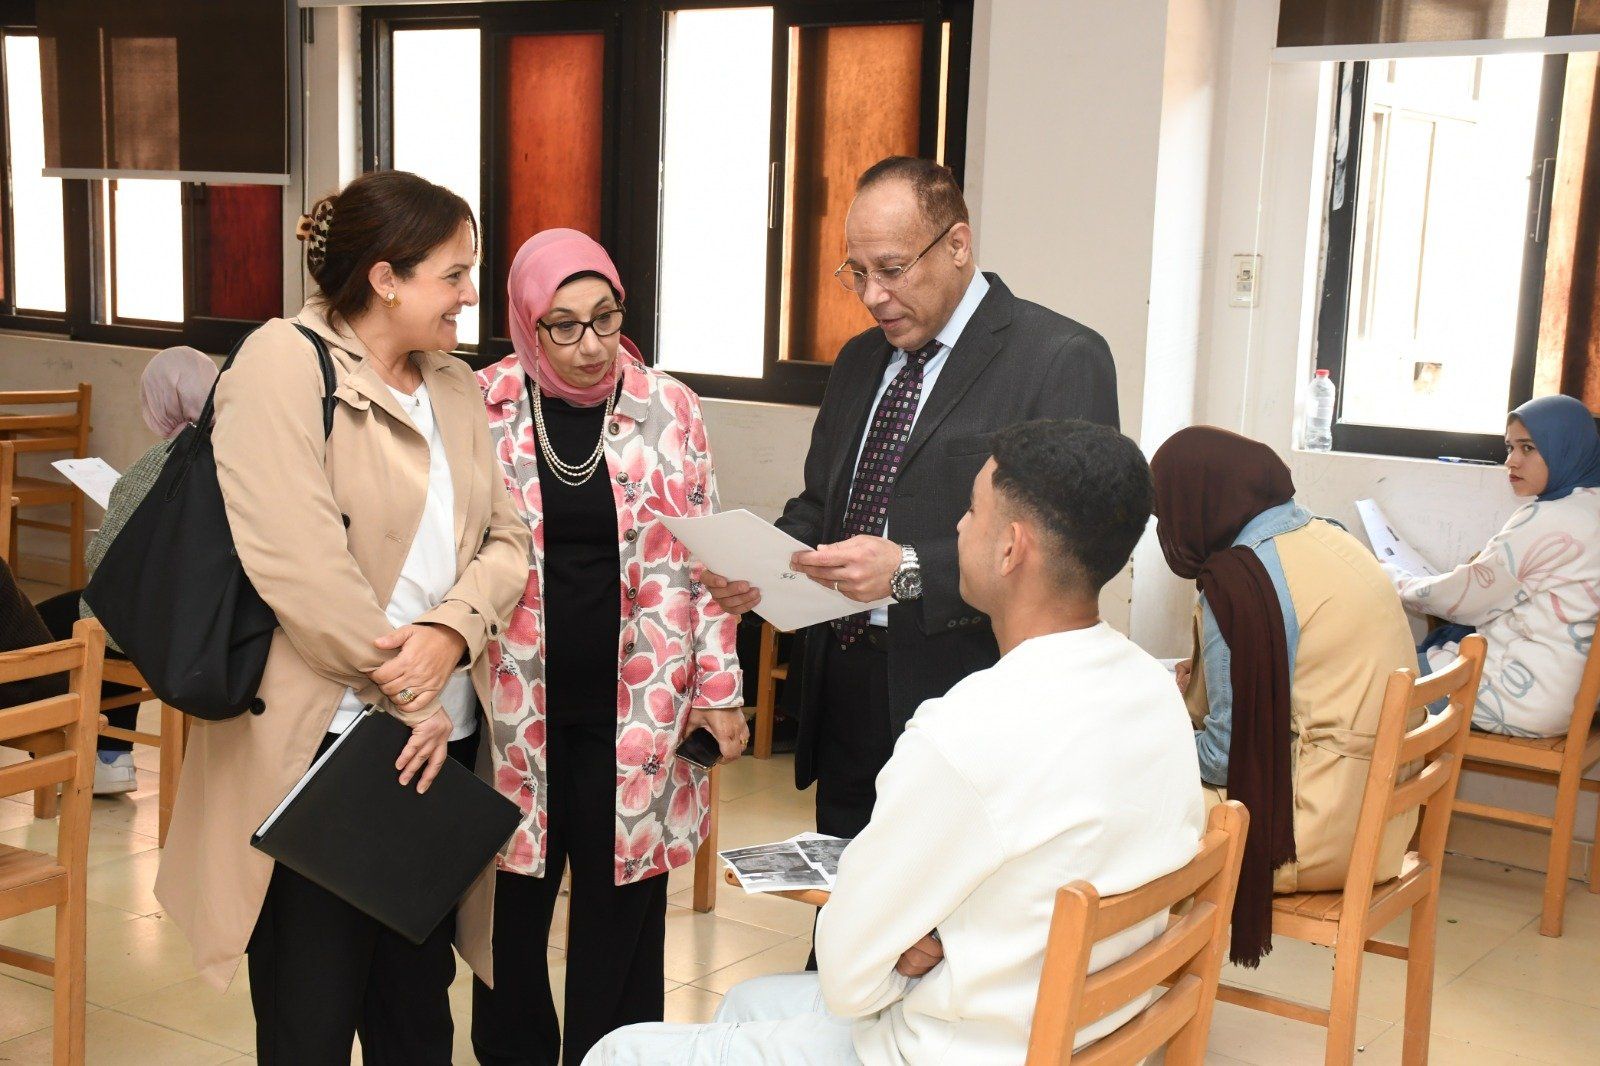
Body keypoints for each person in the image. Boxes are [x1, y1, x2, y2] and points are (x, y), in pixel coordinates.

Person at [587, 420, 1204, 1065]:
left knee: (619, 1051)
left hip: (953, 1049)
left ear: (1011, 549)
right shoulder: (1152, 687)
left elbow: (847, 979)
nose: (958, 527)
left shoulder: (964, 730)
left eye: (972, 510)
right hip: (1083, 1025)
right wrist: (931, 937)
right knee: (748, 1001)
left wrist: (910, 944)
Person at [153, 170, 530, 1064]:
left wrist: (452, 632)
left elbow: (508, 539)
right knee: (310, 1015)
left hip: (438, 740)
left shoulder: (453, 384)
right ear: (386, 278)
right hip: (321, 748)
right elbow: (301, 566)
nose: (469, 295)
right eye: (453, 274)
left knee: (416, 1018)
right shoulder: (282, 361)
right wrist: (410, 695)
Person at [703, 156, 1120, 845]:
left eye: (892, 270)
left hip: (969, 692)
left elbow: (1077, 542)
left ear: (957, 244)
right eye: (857, 272)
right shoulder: (859, 360)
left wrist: (909, 570)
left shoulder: (1057, 357)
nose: (872, 295)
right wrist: (763, 564)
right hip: (846, 686)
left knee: (950, 904)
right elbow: (823, 503)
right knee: (846, 896)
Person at [472, 229, 744, 1065]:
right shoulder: (482, 405)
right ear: (526, 320)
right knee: (509, 914)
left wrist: (719, 689)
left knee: (622, 911)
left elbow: (711, 563)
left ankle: (615, 1057)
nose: (591, 345)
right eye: (563, 326)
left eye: (606, 317)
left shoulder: (671, 407)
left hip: (641, 711)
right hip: (511, 713)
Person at [1150, 425, 1419, 966]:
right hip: (1382, 825)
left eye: (1164, 512)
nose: (1166, 528)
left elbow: (1223, 759)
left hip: (1304, 833)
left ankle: (1110, 987)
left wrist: (1150, 730)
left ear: (1196, 501)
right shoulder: (1327, 536)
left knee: (1118, 804)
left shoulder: (1242, 580)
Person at [32, 345, 219, 794]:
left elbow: (105, 561)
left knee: (60, 619)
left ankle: (64, 753)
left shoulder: (160, 461)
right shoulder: (239, 451)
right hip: (205, 623)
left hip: (152, 626)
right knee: (116, 610)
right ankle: (113, 755)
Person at [1387, 395, 1600, 737]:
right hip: (1571, 699)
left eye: (1528, 448)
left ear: (1565, 447)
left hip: (1517, 698)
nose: (1511, 461)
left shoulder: (1552, 519)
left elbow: (1463, 601)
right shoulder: (1590, 507)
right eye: (1509, 447)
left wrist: (1390, 578)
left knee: (1369, 680)